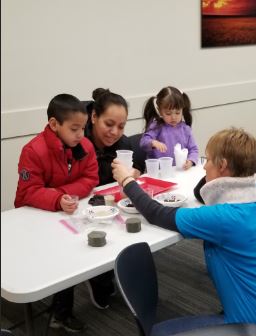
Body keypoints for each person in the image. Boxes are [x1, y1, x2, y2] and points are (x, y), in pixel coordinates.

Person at [112, 128, 256, 335]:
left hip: (255, 326)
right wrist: (215, 175)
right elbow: (205, 192)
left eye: (208, 160)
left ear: (223, 165)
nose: (204, 165)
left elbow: (156, 213)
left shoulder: (224, 218)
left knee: (159, 333)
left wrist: (127, 181)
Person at [15, 93, 99, 332]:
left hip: (67, 213)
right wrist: (57, 198)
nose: (81, 135)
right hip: (35, 217)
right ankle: (53, 312)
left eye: (83, 128)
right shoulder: (33, 151)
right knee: (57, 262)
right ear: (54, 124)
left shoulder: (85, 146)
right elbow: (27, 192)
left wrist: (60, 194)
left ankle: (61, 313)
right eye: (75, 129)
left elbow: (90, 178)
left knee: (72, 258)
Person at [83, 88, 144, 311]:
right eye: (109, 124)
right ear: (93, 117)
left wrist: (134, 173)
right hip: (81, 205)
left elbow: (135, 170)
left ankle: (112, 271)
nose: (115, 132)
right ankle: (98, 276)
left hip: (111, 206)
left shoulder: (124, 145)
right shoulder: (77, 143)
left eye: (121, 126)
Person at [140, 86, 199, 169]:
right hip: (159, 172)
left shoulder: (185, 129)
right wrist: (153, 143)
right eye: (168, 113)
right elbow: (143, 142)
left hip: (179, 171)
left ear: (182, 109)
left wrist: (190, 161)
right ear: (160, 111)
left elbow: (193, 150)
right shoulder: (156, 126)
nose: (173, 117)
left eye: (177, 113)